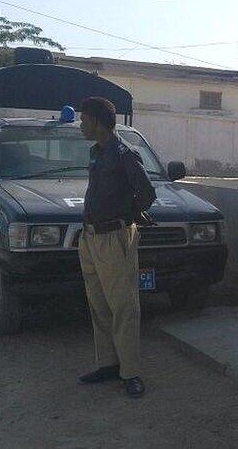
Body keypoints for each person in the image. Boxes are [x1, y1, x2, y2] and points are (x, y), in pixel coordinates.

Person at [76, 96, 156, 398]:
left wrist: (130, 213)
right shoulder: (96, 152)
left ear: (97, 122)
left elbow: (147, 193)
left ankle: (130, 372)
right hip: (90, 238)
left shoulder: (123, 153)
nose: (81, 125)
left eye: (84, 119)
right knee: (99, 305)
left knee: (124, 307)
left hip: (114, 238)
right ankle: (108, 364)